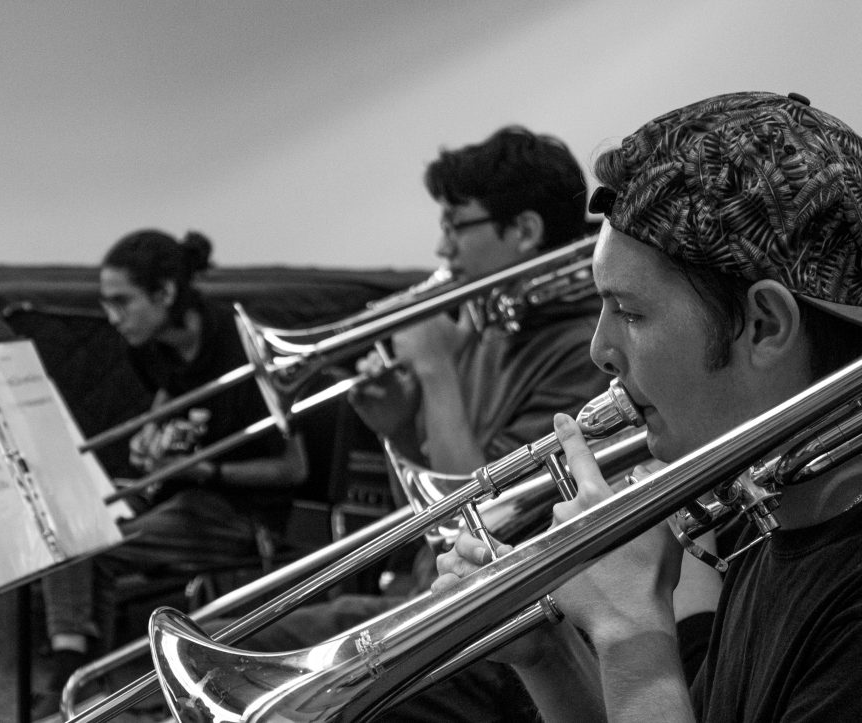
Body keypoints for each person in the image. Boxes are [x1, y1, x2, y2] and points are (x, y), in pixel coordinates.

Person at [434, 91, 862, 722]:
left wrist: (626, 625)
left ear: (765, 325)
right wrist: (548, 655)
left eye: (630, 312)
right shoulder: (772, 516)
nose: (600, 350)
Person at [229, 126, 615, 722]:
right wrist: (400, 429)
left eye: (456, 225)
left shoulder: (584, 348)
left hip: (502, 633)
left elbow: (486, 515)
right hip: (433, 592)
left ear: (524, 231)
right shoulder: (492, 329)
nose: (442, 250)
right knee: (244, 645)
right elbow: (433, 506)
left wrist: (436, 369)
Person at [33, 229, 308, 718]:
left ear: (164, 294)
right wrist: (152, 429)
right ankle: (84, 682)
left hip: (240, 514)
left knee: (96, 546)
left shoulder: (238, 344)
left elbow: (293, 468)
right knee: (68, 521)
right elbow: (171, 392)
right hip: (180, 495)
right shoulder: (152, 343)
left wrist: (206, 468)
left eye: (122, 302)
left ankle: (72, 677)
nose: (112, 318)